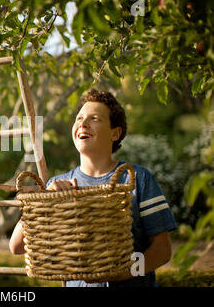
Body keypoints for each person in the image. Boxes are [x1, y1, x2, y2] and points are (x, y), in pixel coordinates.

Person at [9, 89, 177, 287]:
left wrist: (126, 272)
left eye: (94, 118)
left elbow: (162, 250)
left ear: (115, 133)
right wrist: (46, 200)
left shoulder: (137, 179)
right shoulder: (58, 184)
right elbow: (17, 246)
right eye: (79, 118)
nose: (83, 123)